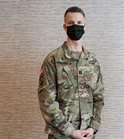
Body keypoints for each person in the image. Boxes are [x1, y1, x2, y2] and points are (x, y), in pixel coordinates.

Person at [38, 6, 104, 139]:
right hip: (61, 135)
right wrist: (70, 131)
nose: (76, 26)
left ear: (85, 27)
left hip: (87, 135)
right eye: (71, 23)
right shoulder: (53, 60)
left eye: (79, 23)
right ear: (64, 27)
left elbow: (99, 96)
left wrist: (93, 127)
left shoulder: (92, 61)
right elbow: (47, 101)